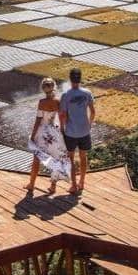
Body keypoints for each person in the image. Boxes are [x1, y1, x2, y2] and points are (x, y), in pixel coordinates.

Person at [23, 77, 71, 194]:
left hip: (41, 133)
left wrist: (33, 136)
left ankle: (31, 184)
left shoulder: (41, 102)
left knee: (37, 159)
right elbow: (62, 118)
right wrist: (64, 133)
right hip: (54, 133)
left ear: (43, 89)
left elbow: (38, 120)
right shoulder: (58, 102)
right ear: (54, 87)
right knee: (57, 159)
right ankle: (53, 186)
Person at [59, 67, 96, 195]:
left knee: (71, 158)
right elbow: (93, 112)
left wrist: (62, 128)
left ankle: (74, 185)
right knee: (83, 156)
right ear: (80, 78)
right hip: (84, 131)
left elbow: (63, 115)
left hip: (71, 132)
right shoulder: (87, 93)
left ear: (70, 79)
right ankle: (82, 182)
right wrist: (89, 124)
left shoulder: (65, 95)